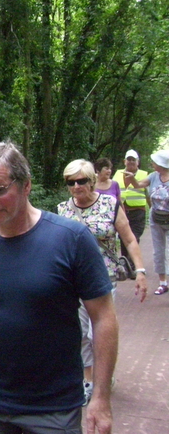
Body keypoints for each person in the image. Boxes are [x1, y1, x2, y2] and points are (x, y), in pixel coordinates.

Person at [0, 142, 118, 434]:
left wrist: (101, 399)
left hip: (52, 407)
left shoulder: (71, 239)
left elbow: (104, 318)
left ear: (26, 185)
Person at [57, 159, 147, 405]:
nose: (76, 186)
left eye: (82, 180)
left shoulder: (110, 204)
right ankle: (88, 381)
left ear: (92, 180)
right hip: (72, 281)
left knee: (99, 333)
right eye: (71, 182)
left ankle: (104, 376)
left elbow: (128, 239)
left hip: (103, 279)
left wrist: (140, 271)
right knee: (80, 333)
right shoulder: (62, 209)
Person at [123, 150, 169, 295]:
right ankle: (163, 283)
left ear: (161, 164)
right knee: (158, 251)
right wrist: (132, 179)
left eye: (154, 162)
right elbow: (138, 185)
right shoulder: (153, 176)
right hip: (156, 219)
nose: (152, 164)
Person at [112, 150, 148, 271]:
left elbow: (148, 194)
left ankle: (131, 264)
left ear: (138, 162)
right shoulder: (117, 174)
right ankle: (126, 263)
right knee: (123, 237)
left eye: (134, 160)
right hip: (122, 211)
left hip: (138, 211)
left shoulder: (144, 174)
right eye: (129, 159)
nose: (131, 162)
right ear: (124, 161)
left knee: (134, 236)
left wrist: (152, 207)